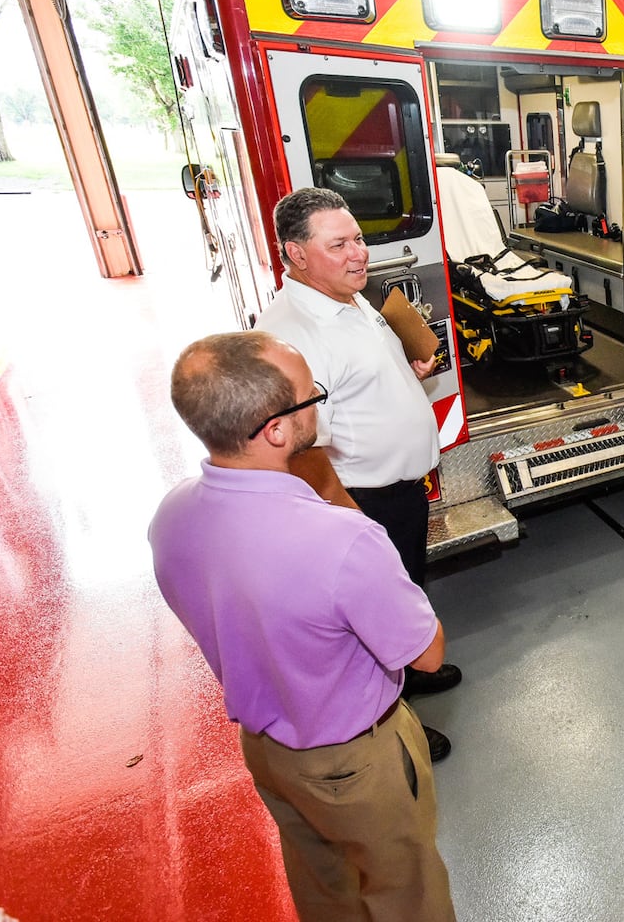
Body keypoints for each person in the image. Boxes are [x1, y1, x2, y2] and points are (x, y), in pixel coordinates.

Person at [149, 331, 457, 921]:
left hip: (268, 753)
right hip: (355, 762)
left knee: (323, 889)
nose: (320, 402)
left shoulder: (171, 517)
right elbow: (427, 654)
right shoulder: (342, 540)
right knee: (406, 892)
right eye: (310, 395)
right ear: (277, 429)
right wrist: (335, 495)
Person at [256, 187, 459, 761]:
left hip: (399, 490)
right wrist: (349, 524)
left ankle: (413, 678)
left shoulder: (347, 297)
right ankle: (394, 727)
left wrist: (410, 368)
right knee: (369, 621)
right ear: (296, 254)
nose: (359, 254)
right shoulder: (292, 334)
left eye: (360, 239)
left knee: (405, 594)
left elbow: (358, 388)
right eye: (338, 244)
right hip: (359, 500)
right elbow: (299, 447)